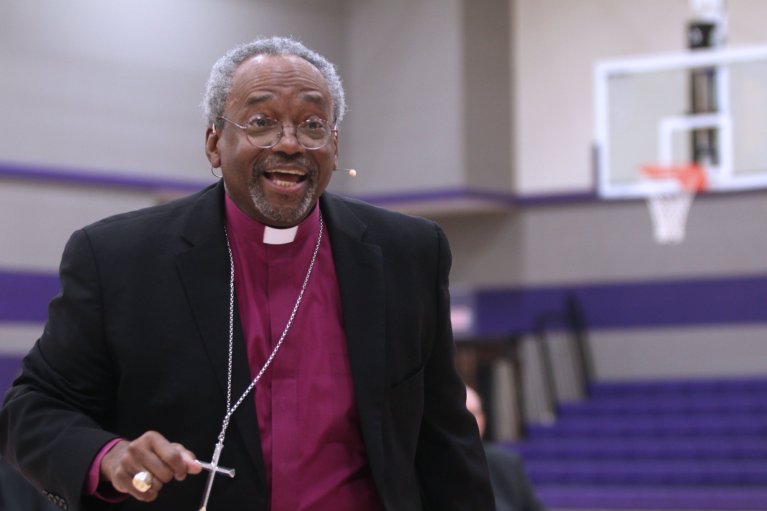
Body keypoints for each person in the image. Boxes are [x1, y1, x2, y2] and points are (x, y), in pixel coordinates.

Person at [0, 37, 495, 510]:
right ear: (214, 144)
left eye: (313, 125)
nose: (289, 143)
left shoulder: (407, 254)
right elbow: (32, 409)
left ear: (335, 147)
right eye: (261, 122)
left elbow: (447, 440)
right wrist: (108, 457)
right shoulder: (118, 258)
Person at [466, 386, 546, 511]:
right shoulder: (436, 465)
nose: (468, 421)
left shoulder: (508, 461)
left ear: (483, 420)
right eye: (462, 414)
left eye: (473, 413)